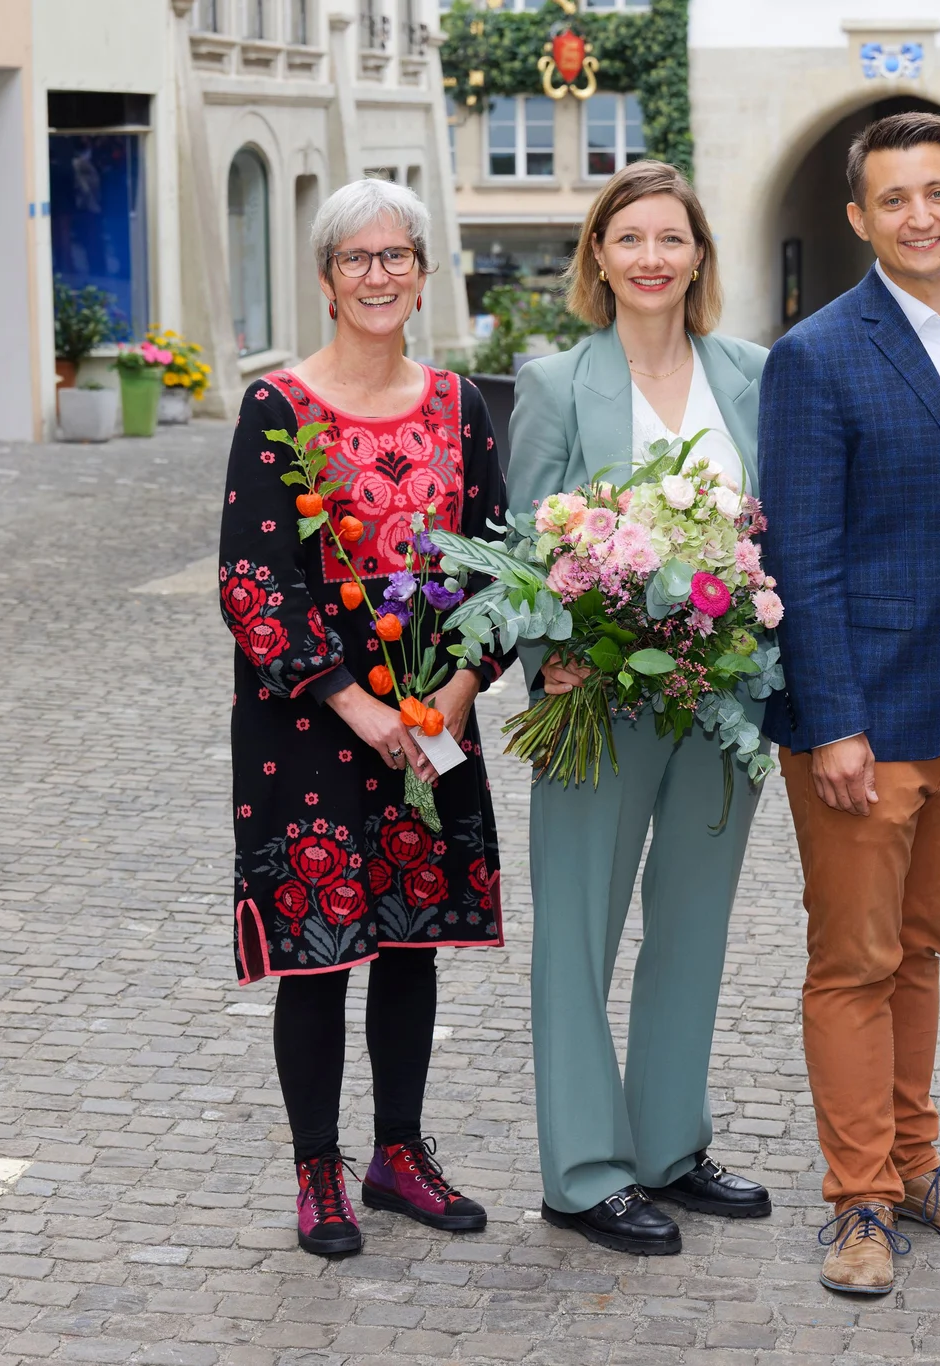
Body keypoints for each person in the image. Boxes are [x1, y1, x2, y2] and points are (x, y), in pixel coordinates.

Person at [760, 111, 940, 1297]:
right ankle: (857, 1200)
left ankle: (917, 1166)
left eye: (937, 192)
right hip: (864, 720)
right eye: (894, 199)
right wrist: (830, 719)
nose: (920, 215)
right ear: (858, 219)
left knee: (919, 950)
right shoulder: (817, 355)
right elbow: (802, 556)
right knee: (854, 960)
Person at [217, 177, 507, 1259]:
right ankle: (317, 1169)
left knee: (410, 940)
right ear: (327, 281)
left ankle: (397, 1152)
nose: (378, 275)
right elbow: (252, 577)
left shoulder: (457, 404)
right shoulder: (277, 406)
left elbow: (494, 562)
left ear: (422, 275)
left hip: (432, 716)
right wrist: (349, 699)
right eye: (356, 259)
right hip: (306, 726)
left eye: (397, 257)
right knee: (318, 947)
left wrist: (457, 694)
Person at [507, 160, 774, 1257]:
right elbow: (525, 542)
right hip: (597, 701)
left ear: (699, 255)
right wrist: (547, 657)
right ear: (599, 259)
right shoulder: (557, 383)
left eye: (671, 239)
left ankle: (668, 1145)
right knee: (576, 931)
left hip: (722, 696)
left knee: (694, 932)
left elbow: (777, 530)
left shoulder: (752, 375)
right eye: (630, 241)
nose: (651, 258)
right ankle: (582, 1169)